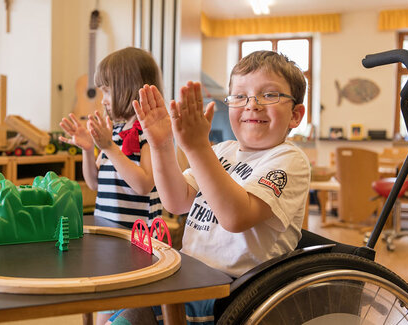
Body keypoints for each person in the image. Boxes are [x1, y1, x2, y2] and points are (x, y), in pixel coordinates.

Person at [109, 50, 311, 324]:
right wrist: (162, 145)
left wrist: (197, 148)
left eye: (270, 94)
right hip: (190, 276)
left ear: (296, 115)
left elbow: (236, 217)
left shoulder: (289, 159)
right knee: (115, 310)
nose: (252, 104)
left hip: (232, 293)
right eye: (240, 96)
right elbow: (177, 201)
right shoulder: (223, 151)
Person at [58, 47, 164, 325]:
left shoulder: (150, 133)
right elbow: (94, 183)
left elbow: (143, 185)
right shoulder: (114, 132)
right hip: (110, 235)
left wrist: (110, 148)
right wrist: (87, 149)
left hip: (137, 240)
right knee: (105, 298)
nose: (103, 100)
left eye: (107, 91)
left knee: (123, 304)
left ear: (128, 89)